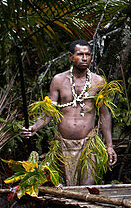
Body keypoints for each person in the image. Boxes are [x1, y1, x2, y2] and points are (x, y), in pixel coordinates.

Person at [21, 39, 118, 186]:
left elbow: (104, 115)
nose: (84, 58)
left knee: (87, 187)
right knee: (64, 189)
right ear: (70, 57)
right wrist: (34, 128)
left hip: (89, 144)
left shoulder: (98, 82)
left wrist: (109, 145)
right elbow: (49, 113)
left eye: (88, 55)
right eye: (80, 54)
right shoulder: (58, 80)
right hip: (62, 145)